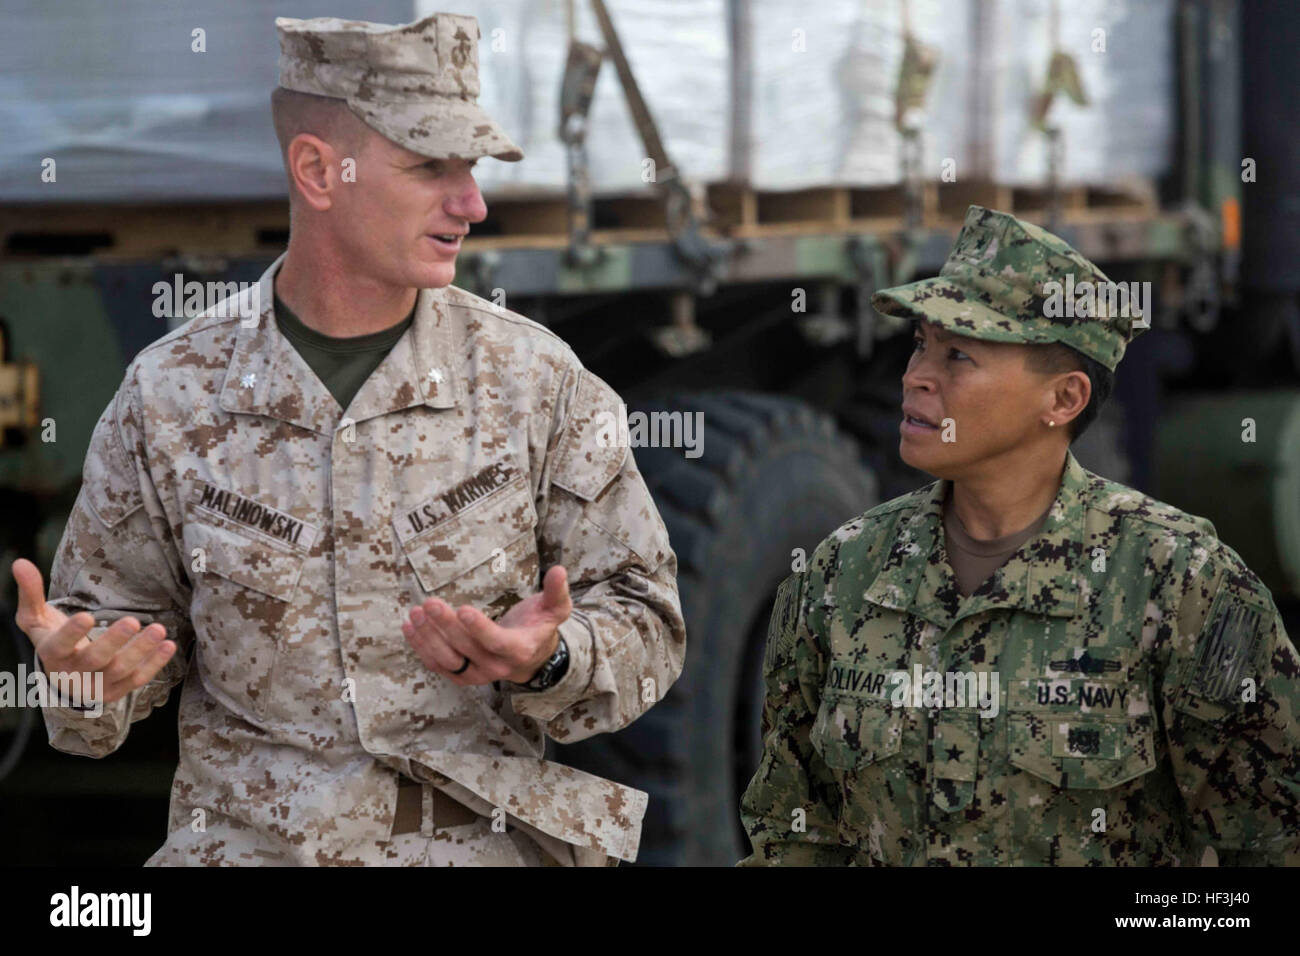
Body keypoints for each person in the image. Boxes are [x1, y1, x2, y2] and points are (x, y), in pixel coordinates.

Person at [12, 12, 685, 867]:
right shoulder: (171, 394)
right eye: (430, 168)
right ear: (319, 171)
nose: (471, 203)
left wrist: (548, 658)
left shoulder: (535, 382)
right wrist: (83, 679)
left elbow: (647, 621)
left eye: (471, 169)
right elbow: (102, 647)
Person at [739, 205, 1300, 866]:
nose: (916, 375)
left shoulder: (1183, 585)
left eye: (960, 356)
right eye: (920, 342)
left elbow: (1265, 848)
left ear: (1062, 400)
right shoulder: (840, 575)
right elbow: (793, 833)